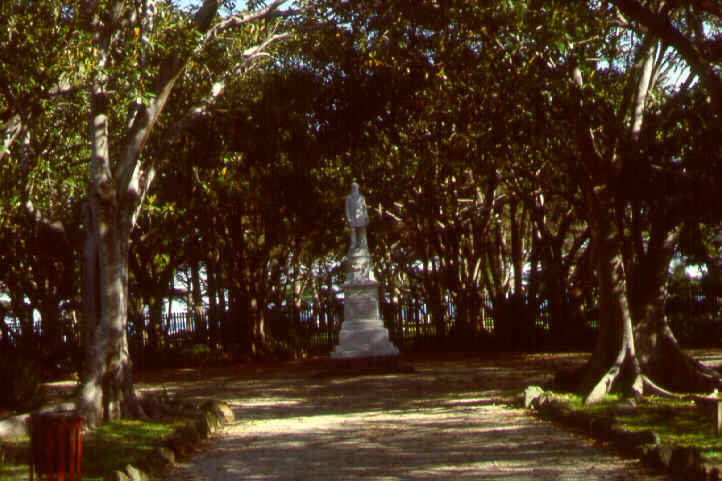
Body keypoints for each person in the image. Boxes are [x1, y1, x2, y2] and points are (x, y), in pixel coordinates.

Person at [345, 182, 369, 251]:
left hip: (361, 217)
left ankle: (362, 245)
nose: (355, 188)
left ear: (358, 188)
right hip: (352, 217)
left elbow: (364, 208)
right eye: (353, 187)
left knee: (361, 231)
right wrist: (348, 218)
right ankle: (353, 245)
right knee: (353, 231)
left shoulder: (362, 197)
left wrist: (366, 216)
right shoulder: (348, 198)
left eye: (356, 187)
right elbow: (347, 209)